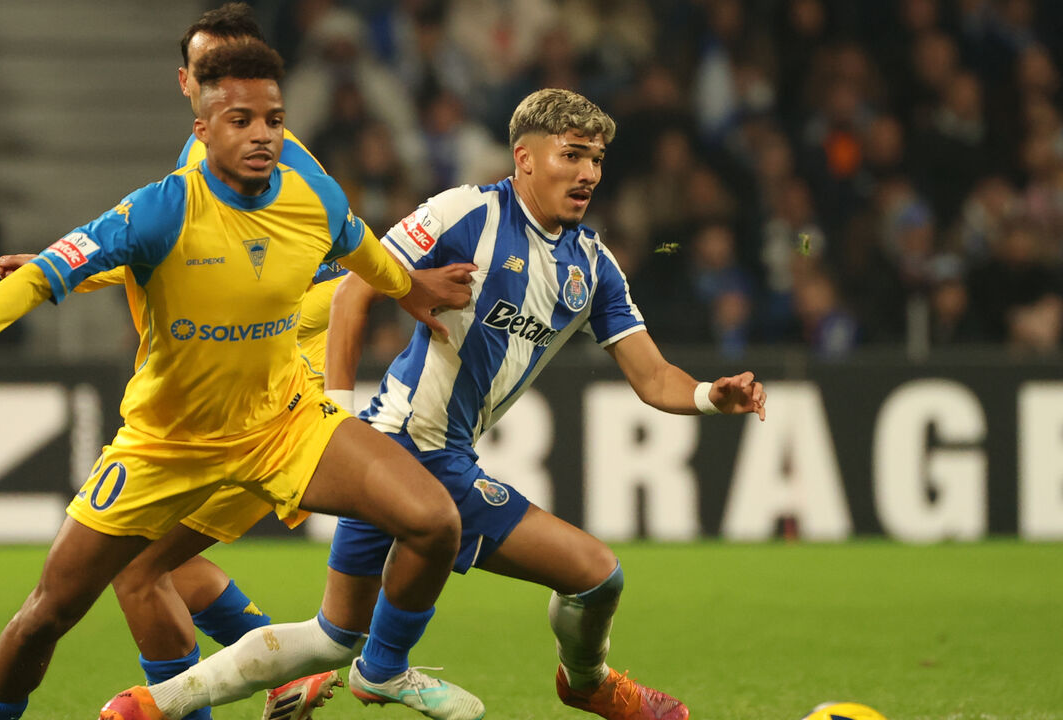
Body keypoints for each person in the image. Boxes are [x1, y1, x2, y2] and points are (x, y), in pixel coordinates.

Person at [0, 41, 483, 720]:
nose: (262, 135)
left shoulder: (315, 198)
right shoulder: (160, 208)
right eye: (241, 120)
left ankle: (376, 668)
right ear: (202, 127)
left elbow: (362, 248)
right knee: (48, 615)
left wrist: (410, 286)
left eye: (272, 120)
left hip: (282, 424)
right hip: (166, 445)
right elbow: (42, 278)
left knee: (432, 520)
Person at [108, 88, 766, 720]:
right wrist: (335, 413)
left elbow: (652, 377)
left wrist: (711, 396)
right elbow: (354, 291)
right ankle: (584, 685)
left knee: (332, 636)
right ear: (526, 158)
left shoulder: (592, 265)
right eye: (572, 154)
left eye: (596, 158)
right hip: (404, 444)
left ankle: (150, 705)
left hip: (433, 452)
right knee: (596, 574)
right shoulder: (464, 212)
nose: (588, 171)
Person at [0, 7, 358, 718]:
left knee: (138, 569)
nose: (215, 80)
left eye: (231, 66)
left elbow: (353, 272)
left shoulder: (276, 159)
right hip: (216, 401)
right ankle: (279, 664)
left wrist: (329, 380)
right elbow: (156, 255)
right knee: (153, 565)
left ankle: (232, 684)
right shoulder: (201, 162)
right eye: (203, 69)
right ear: (187, 81)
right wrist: (64, 269)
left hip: (265, 403)